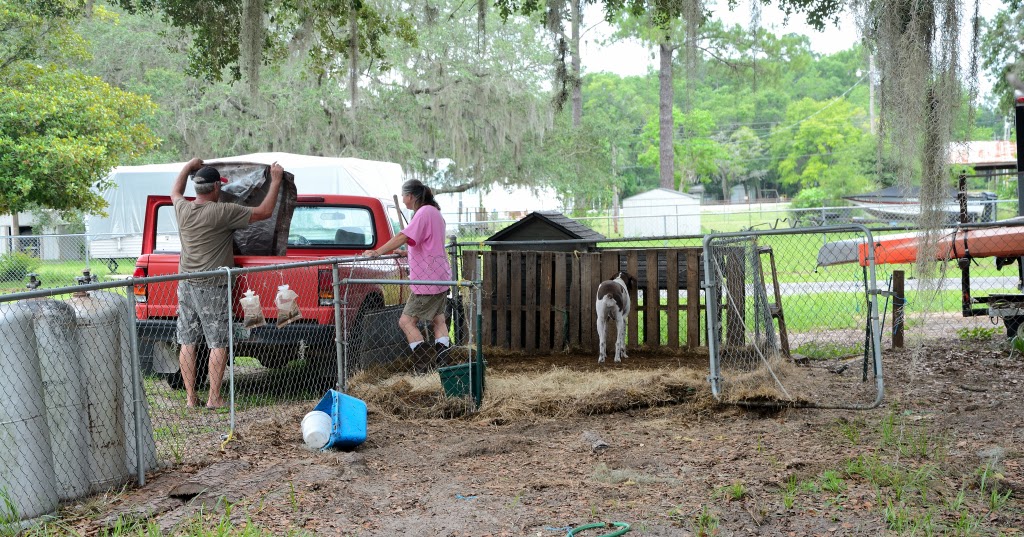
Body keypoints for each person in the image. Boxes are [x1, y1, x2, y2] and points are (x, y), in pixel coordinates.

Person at [171, 158, 284, 408]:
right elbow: (265, 212)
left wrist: (188, 166)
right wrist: (275, 180)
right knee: (218, 342)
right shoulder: (222, 212)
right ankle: (214, 398)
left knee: (187, 341)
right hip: (212, 285)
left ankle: (191, 398)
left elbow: (175, 191)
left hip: (185, 282)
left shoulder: (182, 208)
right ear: (216, 187)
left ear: (196, 187)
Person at [362, 179, 452, 370]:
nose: (403, 200)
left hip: (426, 279)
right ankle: (443, 362)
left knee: (406, 321)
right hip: (440, 275)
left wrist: (378, 251)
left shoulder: (423, 212)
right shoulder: (435, 212)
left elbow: (403, 236)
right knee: (438, 320)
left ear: (410, 196)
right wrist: (407, 253)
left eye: (404, 195)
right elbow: (428, 244)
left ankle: (424, 363)